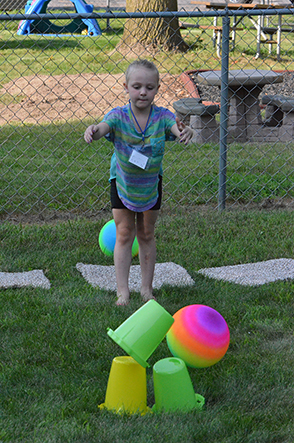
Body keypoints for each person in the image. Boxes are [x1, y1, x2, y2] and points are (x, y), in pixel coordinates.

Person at [84, 59, 194, 306]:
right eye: (136, 86)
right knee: (124, 234)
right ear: (126, 87)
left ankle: (146, 289)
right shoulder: (118, 116)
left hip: (150, 184)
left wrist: (187, 132)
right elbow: (104, 127)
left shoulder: (163, 117)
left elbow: (178, 130)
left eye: (149, 87)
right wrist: (93, 130)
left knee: (146, 233)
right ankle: (122, 292)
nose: (143, 92)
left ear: (156, 88)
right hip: (122, 181)